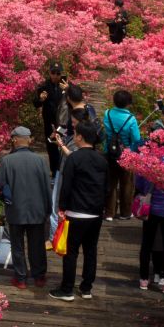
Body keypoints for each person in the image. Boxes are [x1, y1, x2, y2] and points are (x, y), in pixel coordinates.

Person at [48, 122, 108, 301]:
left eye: (75, 134)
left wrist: (61, 207)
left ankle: (67, 289)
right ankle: (86, 288)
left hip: (76, 212)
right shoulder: (102, 159)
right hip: (95, 213)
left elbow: (66, 186)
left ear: (80, 137)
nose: (74, 136)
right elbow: (107, 187)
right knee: (91, 251)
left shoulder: (75, 159)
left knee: (71, 251)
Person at [0, 125, 53, 288]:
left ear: (15, 140)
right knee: (37, 245)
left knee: (17, 245)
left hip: (16, 209)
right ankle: (39, 276)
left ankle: (21, 278)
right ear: (29, 141)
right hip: (37, 209)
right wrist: (49, 209)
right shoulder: (40, 160)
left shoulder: (7, 161)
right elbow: (47, 187)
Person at [135, 100, 164, 295]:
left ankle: (144, 280)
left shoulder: (150, 159)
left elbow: (139, 182)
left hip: (151, 208)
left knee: (146, 244)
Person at [101, 89, 142, 220]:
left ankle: (109, 213)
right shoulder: (131, 119)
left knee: (110, 183)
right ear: (128, 104)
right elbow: (136, 139)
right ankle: (125, 212)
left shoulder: (107, 114)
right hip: (126, 155)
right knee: (127, 184)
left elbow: (106, 133)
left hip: (109, 152)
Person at [33, 63, 68, 172]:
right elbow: (35, 103)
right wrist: (41, 99)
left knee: (64, 144)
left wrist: (68, 89)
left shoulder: (65, 85)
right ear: (49, 73)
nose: (55, 76)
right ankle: (54, 171)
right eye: (53, 73)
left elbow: (75, 98)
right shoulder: (44, 86)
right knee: (51, 145)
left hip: (63, 122)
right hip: (49, 122)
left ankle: (63, 170)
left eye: (58, 73)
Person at [56, 84, 97, 152]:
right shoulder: (90, 107)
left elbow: (68, 132)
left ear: (68, 98)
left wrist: (58, 130)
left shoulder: (75, 115)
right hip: (90, 146)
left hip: (76, 148)